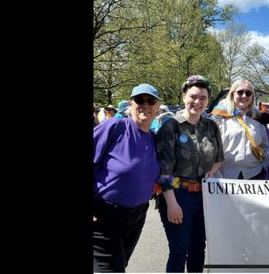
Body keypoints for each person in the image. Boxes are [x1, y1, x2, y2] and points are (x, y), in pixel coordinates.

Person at [155, 75, 224, 272]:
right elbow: (163, 169)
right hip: (178, 195)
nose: (197, 102)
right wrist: (171, 203)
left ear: (208, 101)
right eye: (193, 96)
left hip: (205, 196)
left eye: (203, 98)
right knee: (179, 250)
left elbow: (219, 157)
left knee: (198, 249)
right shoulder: (170, 126)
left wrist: (212, 171)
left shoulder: (211, 126)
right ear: (184, 96)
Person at [93, 83, 162, 272]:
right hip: (105, 216)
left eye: (151, 101)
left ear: (158, 106)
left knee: (120, 265)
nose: (145, 105)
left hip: (136, 217)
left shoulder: (154, 139)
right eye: (140, 100)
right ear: (131, 104)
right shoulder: (114, 127)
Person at [209, 79, 269, 180]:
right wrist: (214, 172)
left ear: (252, 97)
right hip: (225, 175)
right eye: (240, 92)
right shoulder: (219, 117)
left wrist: (264, 167)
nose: (244, 96)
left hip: (254, 175)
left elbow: (265, 146)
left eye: (248, 93)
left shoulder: (258, 119)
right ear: (232, 94)